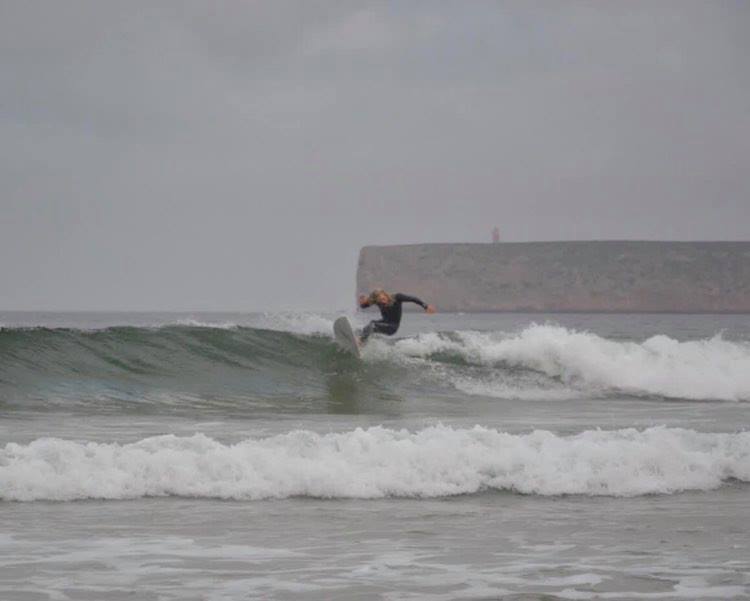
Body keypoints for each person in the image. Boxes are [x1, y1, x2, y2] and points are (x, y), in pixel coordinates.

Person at [357, 288, 436, 343]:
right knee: (368, 326)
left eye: (383, 298)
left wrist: (426, 306)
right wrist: (362, 303)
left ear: (384, 294)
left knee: (372, 325)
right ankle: (361, 341)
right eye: (379, 300)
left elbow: (413, 299)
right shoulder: (378, 301)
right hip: (384, 323)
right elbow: (364, 306)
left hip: (392, 327)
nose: (382, 301)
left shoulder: (397, 297)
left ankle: (360, 342)